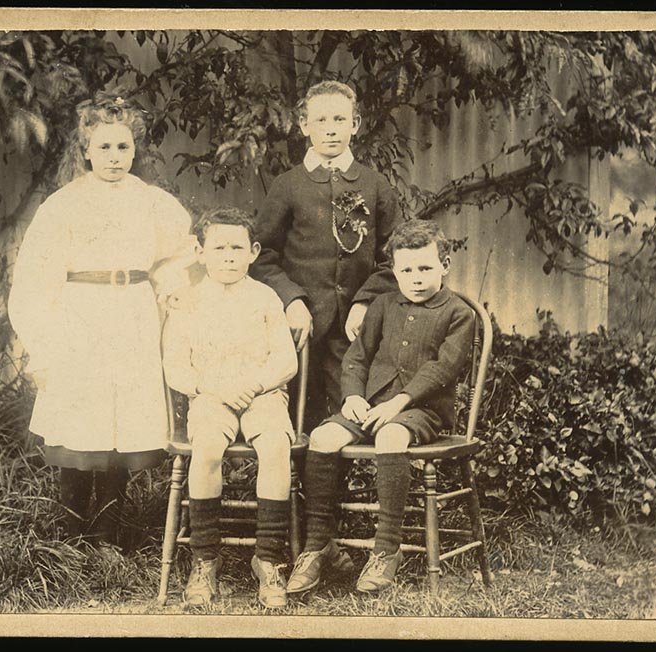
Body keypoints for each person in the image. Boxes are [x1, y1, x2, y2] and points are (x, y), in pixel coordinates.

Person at [8, 91, 195, 553]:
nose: (115, 157)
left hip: (132, 315)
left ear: (136, 150)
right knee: (79, 425)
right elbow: (35, 277)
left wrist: (168, 282)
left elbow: (180, 253)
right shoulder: (63, 205)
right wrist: (42, 346)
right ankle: (71, 537)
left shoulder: (153, 203)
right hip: (80, 319)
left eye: (124, 147)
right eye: (105, 147)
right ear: (86, 149)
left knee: (120, 430)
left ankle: (109, 536)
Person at [285, 219, 475, 594]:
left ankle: (387, 548)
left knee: (390, 435)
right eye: (406, 270)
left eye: (425, 268)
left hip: (423, 410)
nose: (416, 278)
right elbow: (356, 358)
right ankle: (319, 543)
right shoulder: (383, 305)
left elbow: (444, 368)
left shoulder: (458, 313)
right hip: (370, 405)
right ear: (394, 272)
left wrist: (401, 402)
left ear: (445, 265)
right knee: (323, 436)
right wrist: (352, 396)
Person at [162, 207, 298, 609]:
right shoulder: (187, 301)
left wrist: (256, 384)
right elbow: (175, 365)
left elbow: (286, 361)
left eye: (237, 247)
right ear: (200, 252)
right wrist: (212, 386)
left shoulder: (265, 297)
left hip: (262, 395)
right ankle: (205, 558)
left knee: (275, 447)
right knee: (205, 449)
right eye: (218, 247)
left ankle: (268, 559)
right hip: (211, 396)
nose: (228, 256)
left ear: (254, 251)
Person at [250, 80, 404, 431]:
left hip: (356, 328)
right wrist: (291, 301)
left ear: (355, 124)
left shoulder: (375, 185)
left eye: (339, 119)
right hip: (300, 328)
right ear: (304, 125)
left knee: (352, 417)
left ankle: (335, 488)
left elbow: (396, 256)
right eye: (320, 120)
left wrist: (365, 302)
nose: (331, 129)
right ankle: (300, 487)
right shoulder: (288, 185)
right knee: (300, 418)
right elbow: (262, 256)